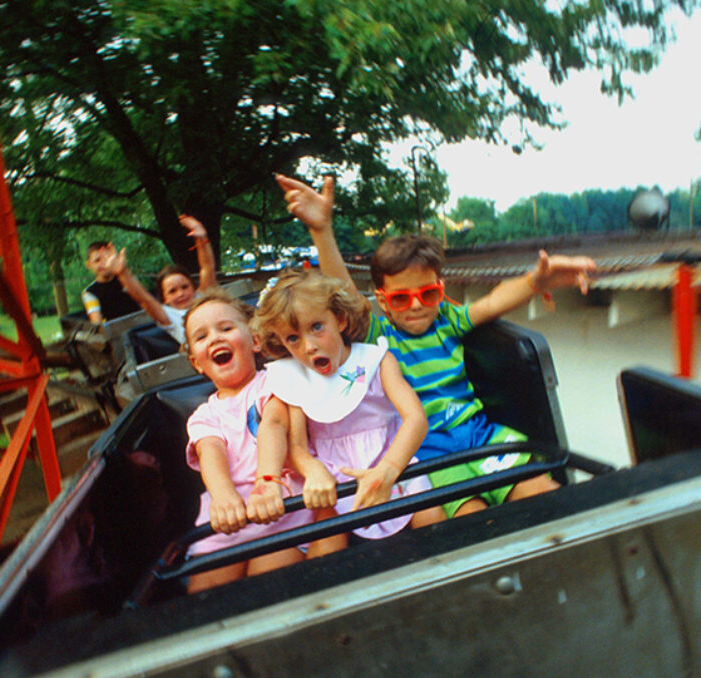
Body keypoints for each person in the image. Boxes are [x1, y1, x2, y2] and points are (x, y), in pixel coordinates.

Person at [276, 173, 597, 518]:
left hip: (477, 434)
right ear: (383, 302)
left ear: (440, 290)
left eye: (427, 294)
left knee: (545, 494)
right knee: (470, 517)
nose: (416, 306)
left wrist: (535, 280)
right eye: (402, 298)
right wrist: (322, 231)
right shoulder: (379, 335)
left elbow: (492, 303)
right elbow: (345, 292)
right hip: (428, 449)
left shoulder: (448, 319)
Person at [252, 268, 445, 547]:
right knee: (326, 534)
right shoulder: (293, 379)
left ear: (340, 320)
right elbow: (296, 445)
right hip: (332, 473)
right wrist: (313, 469)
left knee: (430, 516)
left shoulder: (376, 361)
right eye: (292, 338)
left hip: (390, 460)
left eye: (317, 327)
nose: (308, 346)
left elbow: (415, 418)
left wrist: (388, 470)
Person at [182, 287, 315, 592]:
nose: (215, 338)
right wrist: (224, 496)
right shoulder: (204, 415)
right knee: (204, 595)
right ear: (197, 363)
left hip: (281, 507)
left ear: (255, 340)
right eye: (202, 337)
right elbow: (210, 451)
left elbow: (275, 421)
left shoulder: (276, 380)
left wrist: (267, 482)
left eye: (226, 328)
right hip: (229, 516)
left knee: (266, 584)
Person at [104, 215, 216, 344]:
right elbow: (144, 298)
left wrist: (201, 238)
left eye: (185, 287)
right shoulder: (170, 317)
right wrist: (123, 273)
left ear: (193, 287)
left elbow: (207, 268)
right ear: (165, 298)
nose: (180, 294)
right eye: (172, 291)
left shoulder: (202, 298)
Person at [81, 241, 141, 323]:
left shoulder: (125, 278)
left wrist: (122, 271)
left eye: (106, 258)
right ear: (89, 264)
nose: (103, 264)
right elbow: (97, 323)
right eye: (97, 260)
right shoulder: (90, 293)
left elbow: (142, 297)